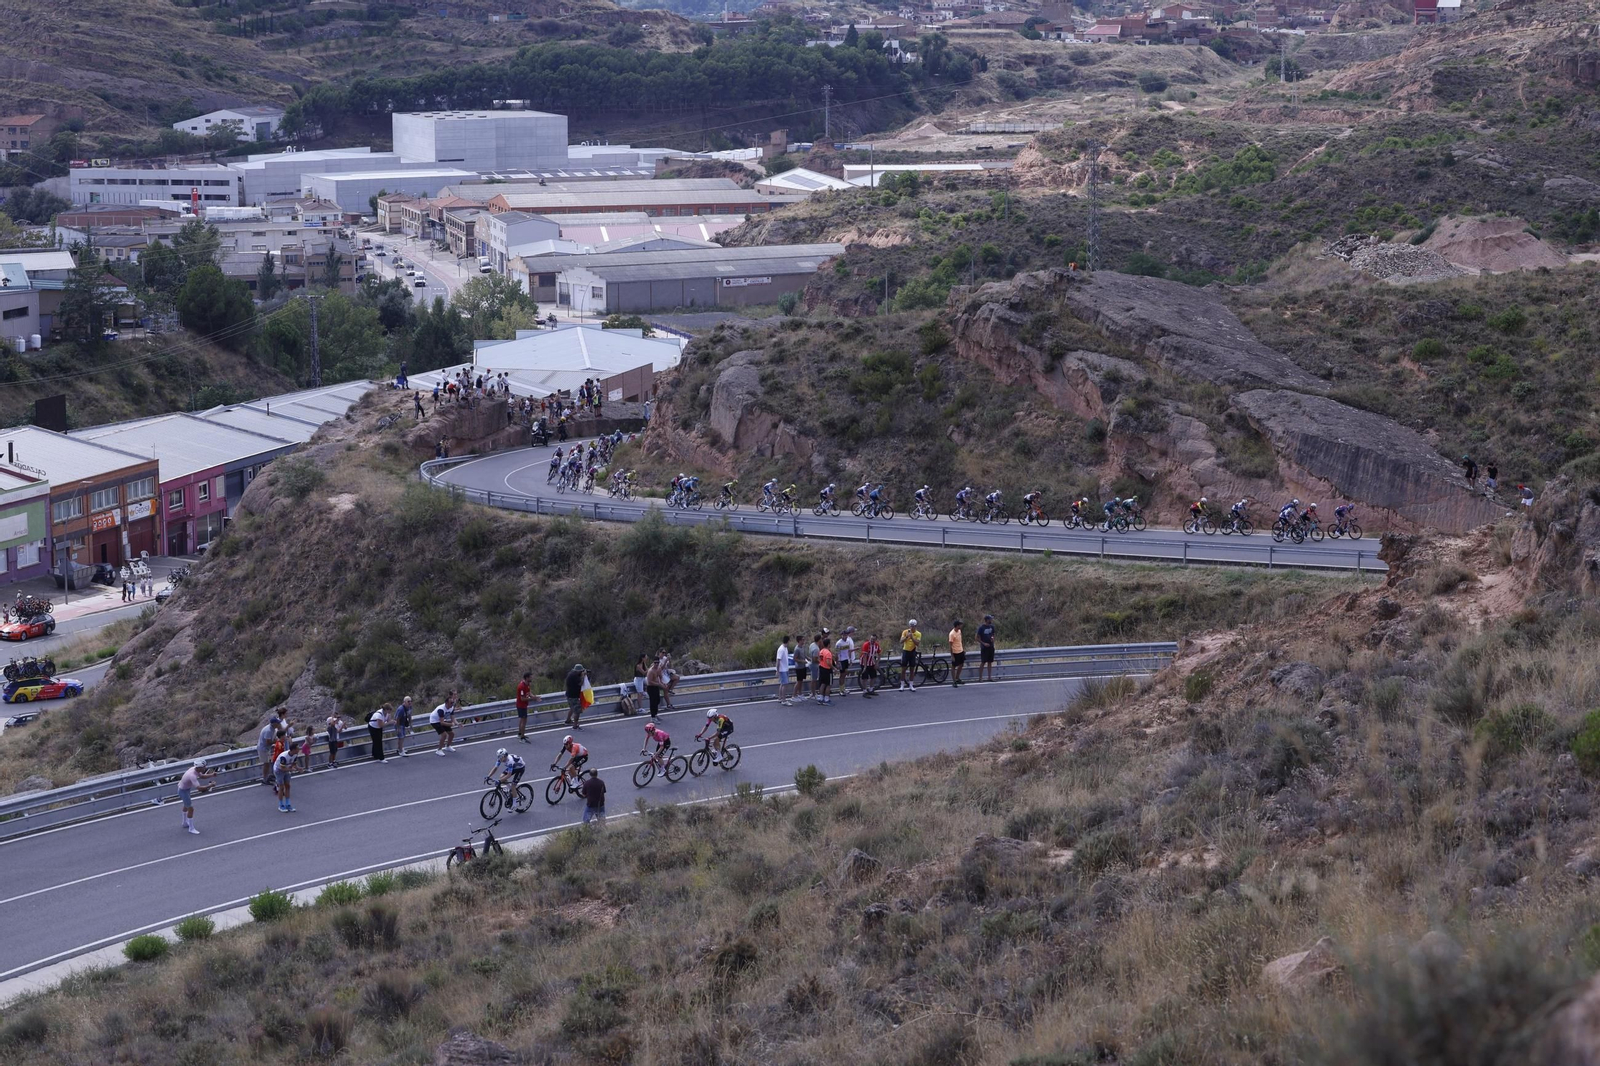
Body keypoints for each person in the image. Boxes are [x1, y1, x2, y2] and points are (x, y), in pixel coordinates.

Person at [177, 758, 215, 835]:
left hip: (184, 789)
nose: (205, 768)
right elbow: (199, 788)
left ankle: (184, 822)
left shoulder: (195, 769)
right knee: (191, 809)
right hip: (183, 791)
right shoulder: (192, 775)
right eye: (204, 766)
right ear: (200, 767)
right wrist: (210, 785)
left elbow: (202, 776)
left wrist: (212, 775)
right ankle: (191, 828)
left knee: (186, 805)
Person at [258, 711, 284, 786]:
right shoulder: (268, 730)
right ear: (274, 723)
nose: (278, 724)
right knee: (266, 764)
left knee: (269, 763)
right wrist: (275, 741)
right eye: (277, 723)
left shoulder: (273, 729)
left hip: (267, 749)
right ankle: (265, 779)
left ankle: (268, 777)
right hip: (263, 748)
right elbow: (268, 742)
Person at [899, 620, 922, 691]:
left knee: (912, 669)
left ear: (915, 626)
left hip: (912, 652)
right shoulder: (905, 632)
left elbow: (917, 643)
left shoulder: (918, 634)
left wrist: (912, 637)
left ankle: (911, 685)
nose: (911, 627)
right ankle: (902, 685)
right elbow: (901, 641)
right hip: (905, 651)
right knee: (903, 669)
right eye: (910, 626)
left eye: (913, 626)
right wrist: (906, 637)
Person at [834, 627, 856, 697]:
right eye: (843, 635)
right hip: (841, 660)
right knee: (842, 675)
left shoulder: (847, 642)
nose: (845, 636)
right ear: (841, 635)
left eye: (846, 635)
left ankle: (843, 688)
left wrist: (850, 659)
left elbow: (848, 651)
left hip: (846, 660)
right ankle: (841, 690)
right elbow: (836, 654)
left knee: (845, 674)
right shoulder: (838, 643)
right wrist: (837, 662)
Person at [564, 662, 588, 729]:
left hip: (569, 695)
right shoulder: (575, 676)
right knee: (577, 711)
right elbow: (581, 683)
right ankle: (575, 725)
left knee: (572, 708)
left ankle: (568, 720)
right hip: (573, 696)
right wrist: (583, 676)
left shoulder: (571, 674)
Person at [274, 746, 296, 813]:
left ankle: (288, 804)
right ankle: (281, 805)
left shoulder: (295, 755)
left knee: (288, 786)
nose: (299, 750)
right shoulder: (284, 756)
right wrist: (291, 769)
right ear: (293, 750)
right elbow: (282, 768)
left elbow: (294, 763)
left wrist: (298, 768)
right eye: (297, 749)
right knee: (281, 787)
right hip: (278, 770)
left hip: (286, 769)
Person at [976, 614, 997, 682]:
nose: (991, 620)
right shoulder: (981, 628)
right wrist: (983, 643)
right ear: (987, 620)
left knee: (990, 662)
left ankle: (989, 677)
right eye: (990, 619)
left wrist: (992, 639)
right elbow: (977, 638)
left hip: (991, 646)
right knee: (983, 662)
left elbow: (993, 635)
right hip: (984, 647)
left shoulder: (992, 627)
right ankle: (980, 678)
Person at [860, 632, 881, 697]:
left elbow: (879, 654)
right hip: (864, 662)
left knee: (873, 676)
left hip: (872, 662)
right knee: (865, 677)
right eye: (871, 639)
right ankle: (864, 691)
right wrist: (865, 666)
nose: (872, 640)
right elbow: (865, 656)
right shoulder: (866, 644)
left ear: (875, 640)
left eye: (873, 639)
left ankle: (871, 689)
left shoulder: (876, 645)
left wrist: (877, 663)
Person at [646, 654, 667, 719]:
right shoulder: (651, 671)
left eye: (657, 663)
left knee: (657, 700)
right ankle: (653, 716)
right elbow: (649, 681)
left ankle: (656, 714)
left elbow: (660, 676)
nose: (656, 664)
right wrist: (658, 684)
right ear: (653, 663)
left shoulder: (659, 668)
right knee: (653, 702)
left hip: (656, 686)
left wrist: (663, 683)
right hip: (651, 687)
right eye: (655, 663)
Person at [815, 634, 834, 705]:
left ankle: (821, 698)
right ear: (828, 644)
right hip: (827, 670)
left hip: (821, 668)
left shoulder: (821, 651)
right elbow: (829, 663)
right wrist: (834, 668)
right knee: (828, 684)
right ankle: (826, 699)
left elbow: (819, 659)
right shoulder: (828, 653)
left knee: (822, 683)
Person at [515, 671, 533, 743]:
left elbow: (529, 693)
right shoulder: (521, 686)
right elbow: (522, 699)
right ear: (527, 678)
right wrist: (532, 699)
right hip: (521, 705)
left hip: (524, 705)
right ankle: (522, 737)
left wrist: (534, 697)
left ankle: (520, 734)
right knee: (523, 720)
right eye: (530, 677)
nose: (531, 678)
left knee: (522, 720)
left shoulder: (527, 684)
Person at [776, 636, 793, 706]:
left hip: (785, 668)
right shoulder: (781, 649)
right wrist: (777, 670)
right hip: (782, 669)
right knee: (785, 684)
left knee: (782, 684)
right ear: (788, 641)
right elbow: (778, 660)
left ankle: (780, 698)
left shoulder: (785, 648)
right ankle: (784, 700)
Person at [949, 619, 966, 686]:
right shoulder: (952, 634)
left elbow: (960, 641)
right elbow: (950, 645)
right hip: (955, 652)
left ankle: (957, 677)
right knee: (953, 666)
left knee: (961, 664)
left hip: (960, 650)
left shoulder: (959, 631)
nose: (961, 626)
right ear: (957, 625)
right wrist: (952, 655)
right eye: (960, 625)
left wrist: (963, 649)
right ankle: (954, 681)